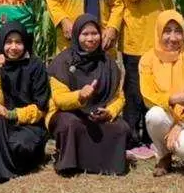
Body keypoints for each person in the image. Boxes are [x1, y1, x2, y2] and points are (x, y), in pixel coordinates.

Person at [107, 0, 173, 160]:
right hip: (137, 36)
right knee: (134, 89)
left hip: (160, 37)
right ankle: (133, 138)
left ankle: (153, 137)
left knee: (157, 87)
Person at [47, 15, 128, 176]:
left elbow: (119, 97)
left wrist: (109, 112)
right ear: (76, 36)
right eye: (85, 34)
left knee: (121, 128)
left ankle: (104, 165)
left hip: (97, 113)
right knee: (71, 124)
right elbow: (59, 100)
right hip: (66, 113)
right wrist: (80, 96)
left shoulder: (108, 63)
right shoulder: (62, 62)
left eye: (94, 33)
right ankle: (70, 164)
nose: (90, 39)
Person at [139, 11, 184, 176]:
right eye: (167, 31)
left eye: (178, 31)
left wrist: (181, 125)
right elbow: (147, 95)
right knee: (153, 115)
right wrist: (171, 99)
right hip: (167, 115)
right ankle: (164, 156)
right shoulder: (148, 59)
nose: (173, 37)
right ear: (158, 31)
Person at [0, 21, 51, 184]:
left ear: (25, 43)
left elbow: (41, 107)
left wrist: (13, 114)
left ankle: (0, 164)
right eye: (8, 42)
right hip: (3, 125)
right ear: (1, 43)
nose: (13, 47)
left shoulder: (36, 66)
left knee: (19, 145)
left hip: (29, 124)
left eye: (18, 42)